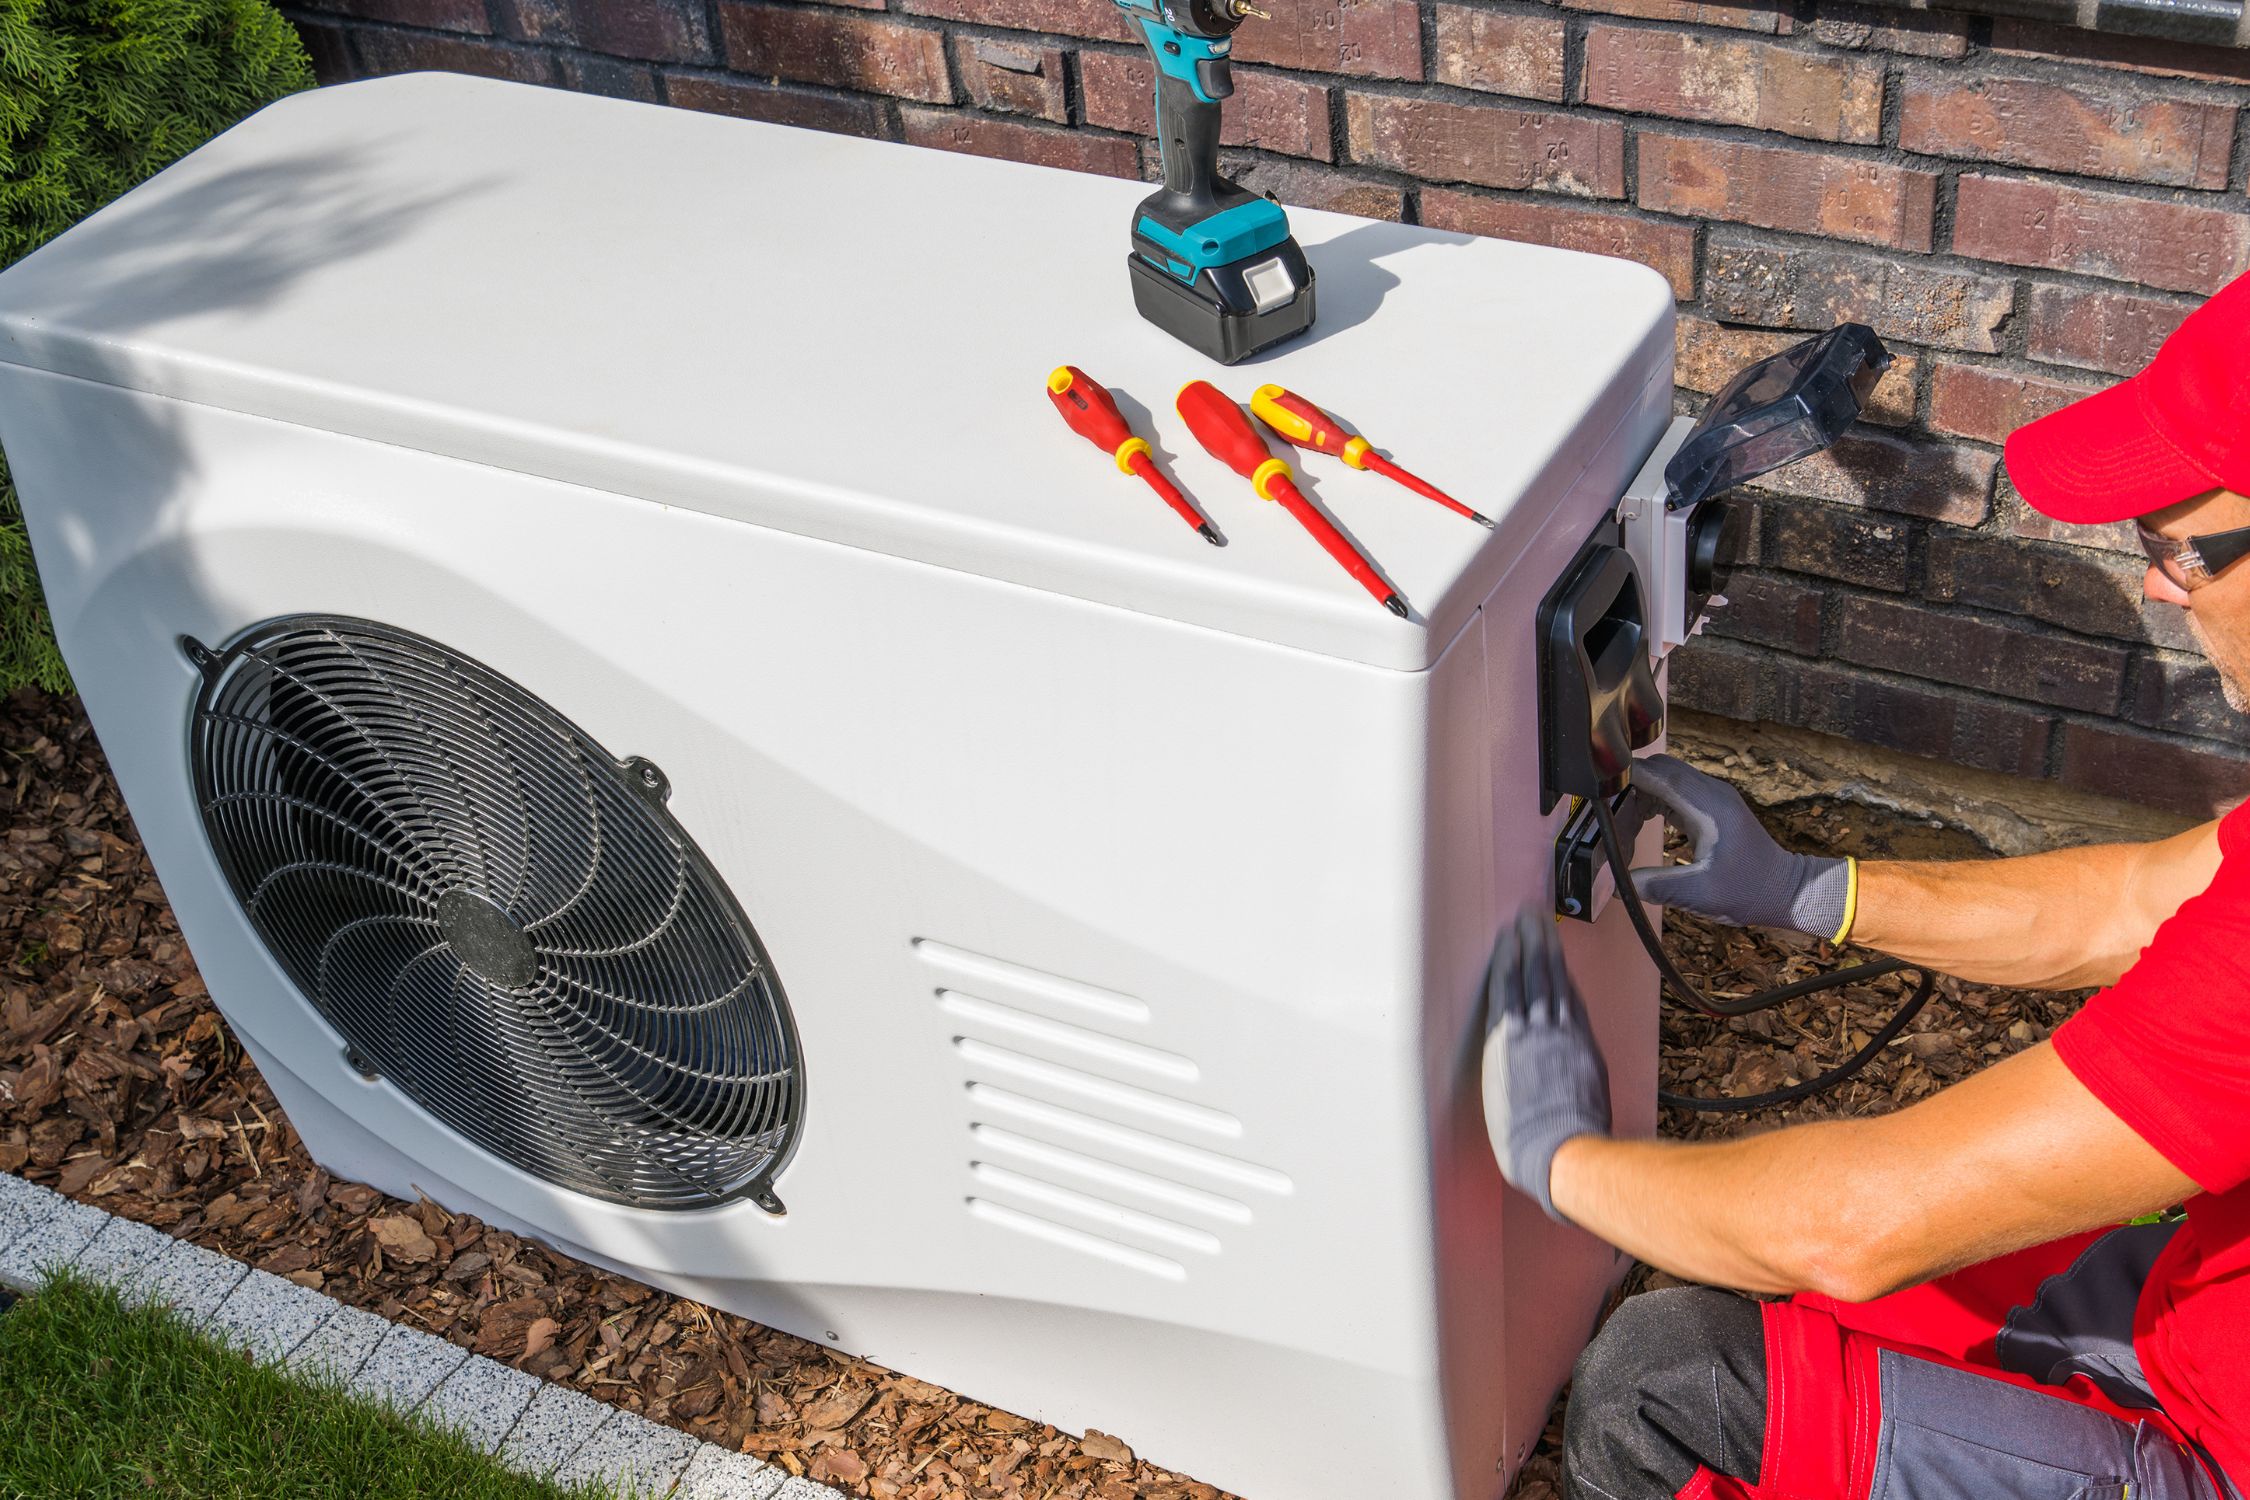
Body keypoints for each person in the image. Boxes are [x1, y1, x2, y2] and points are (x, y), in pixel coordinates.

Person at [1484, 266, 2250, 1500]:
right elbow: (2131, 904)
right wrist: (1808, 891)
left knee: (1667, 1386)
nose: (2158, 585)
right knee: (1896, 1310)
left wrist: (1560, 1160)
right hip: (2206, 1320)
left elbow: (1851, 1228)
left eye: (2179, 550)